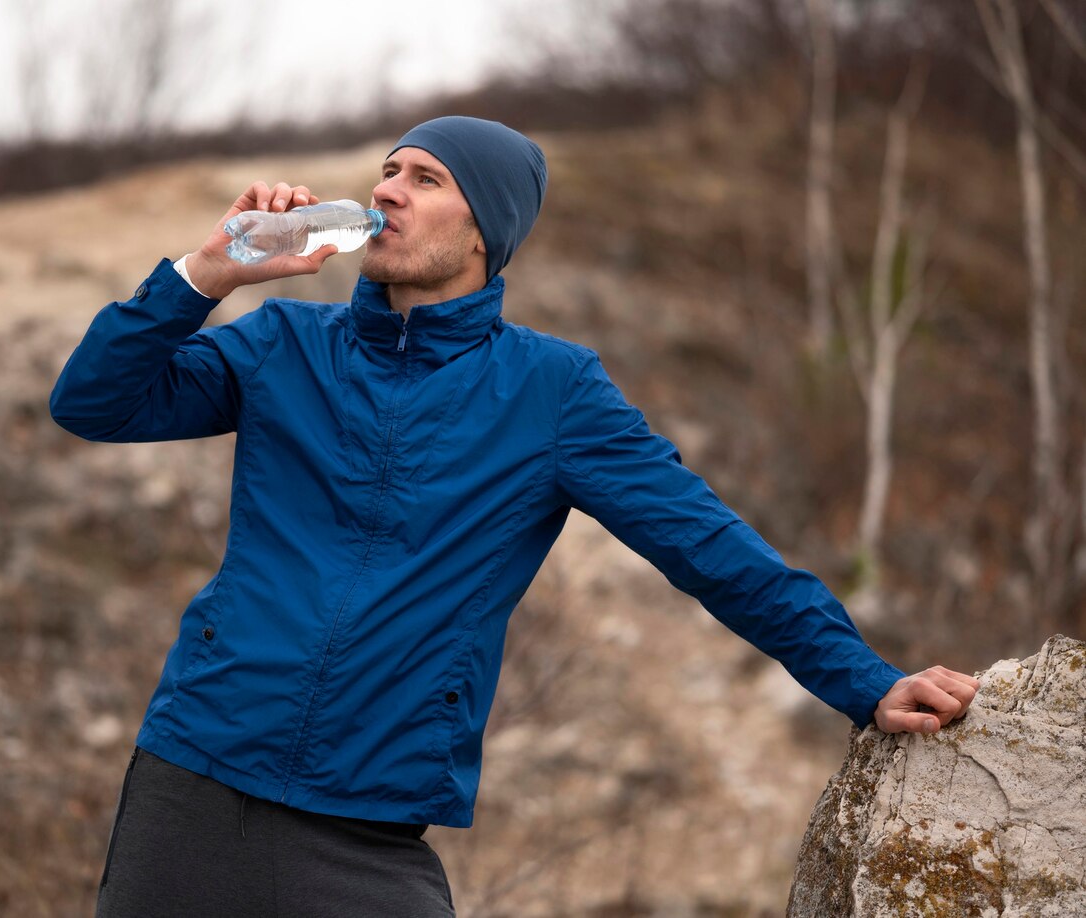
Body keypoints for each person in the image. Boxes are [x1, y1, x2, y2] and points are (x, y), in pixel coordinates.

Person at [49, 116, 979, 917]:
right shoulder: (282, 344)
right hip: (193, 781)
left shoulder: (554, 391)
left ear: (487, 227)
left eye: (426, 178)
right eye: (387, 170)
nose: (389, 190)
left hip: (367, 831)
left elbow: (710, 549)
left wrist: (862, 679)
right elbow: (93, 402)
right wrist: (205, 274)